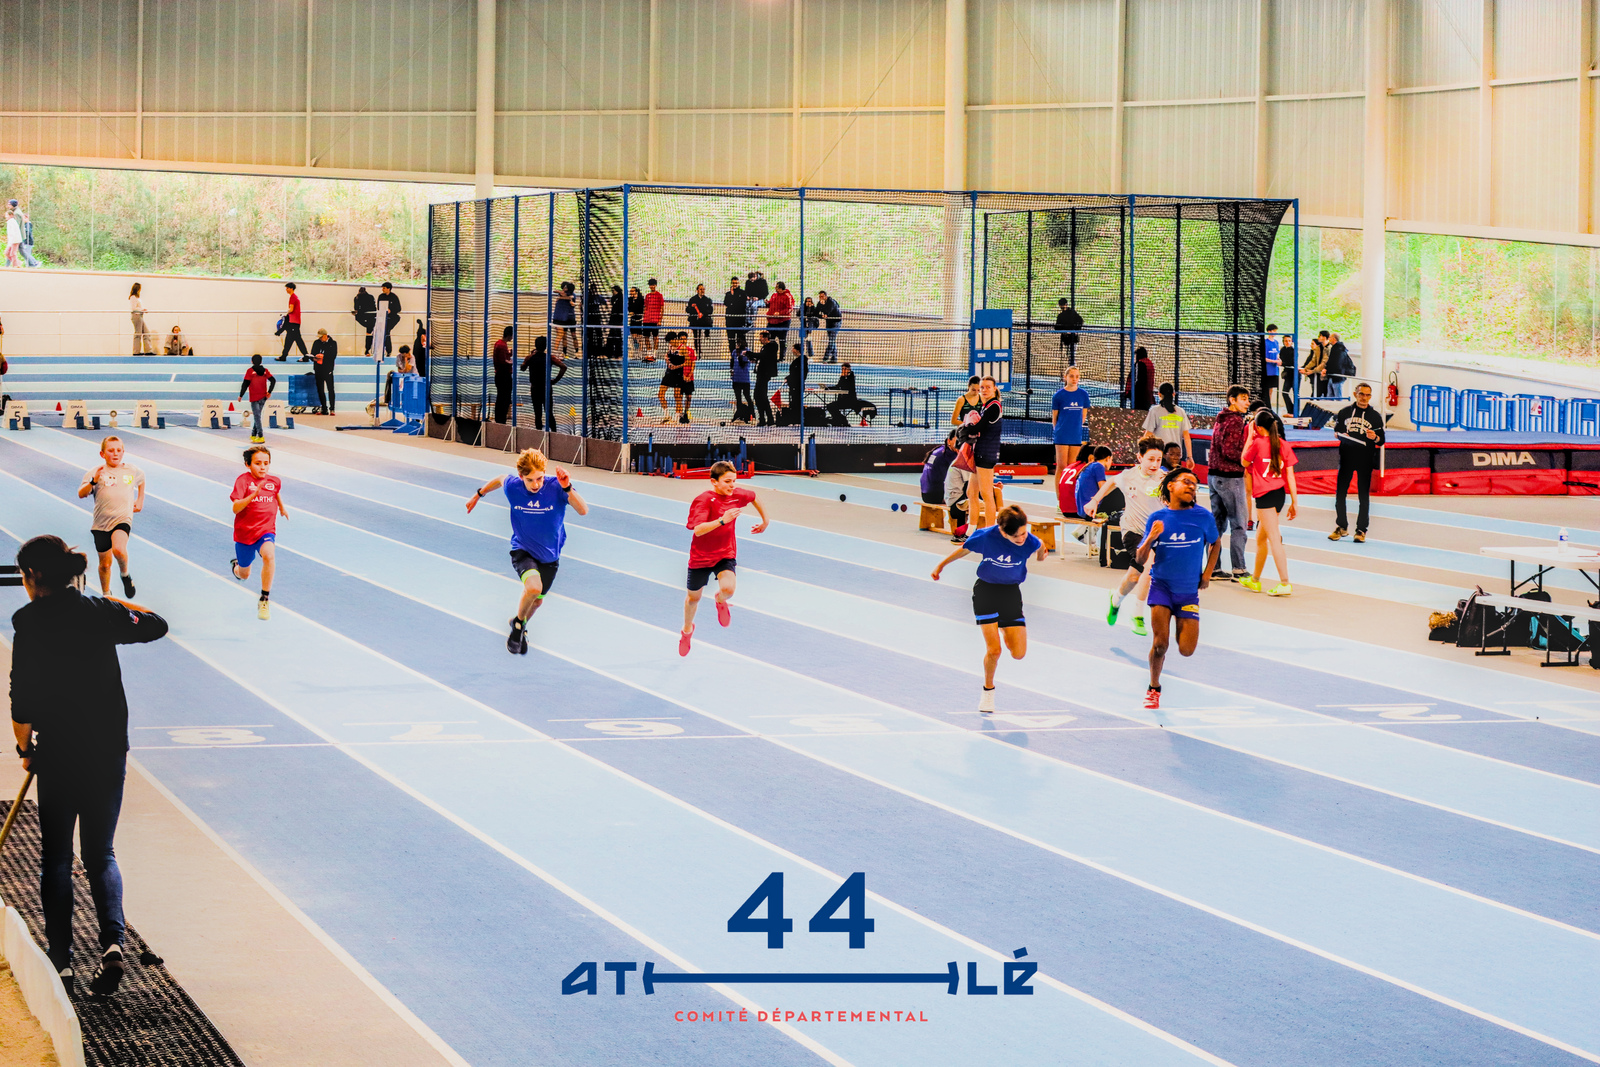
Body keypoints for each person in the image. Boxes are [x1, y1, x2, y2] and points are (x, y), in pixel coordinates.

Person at [10, 534, 170, 995]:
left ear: (33, 575)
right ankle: (113, 944)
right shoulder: (99, 611)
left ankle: (61, 960)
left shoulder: (28, 621)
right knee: (100, 853)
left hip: (58, 752)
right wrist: (109, 605)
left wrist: (25, 751)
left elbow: (21, 699)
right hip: (107, 749)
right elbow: (156, 624)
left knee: (57, 856)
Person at [465, 448, 589, 654]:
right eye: (530, 480)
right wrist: (479, 494)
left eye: (539, 478)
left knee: (537, 602)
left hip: (550, 556)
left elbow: (583, 510)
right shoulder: (513, 487)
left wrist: (567, 487)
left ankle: (519, 621)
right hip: (523, 550)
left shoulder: (556, 487)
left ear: (545, 473)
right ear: (521, 476)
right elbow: (500, 479)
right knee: (533, 588)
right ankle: (517, 628)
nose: (536, 484)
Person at [930, 504, 1047, 713]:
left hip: (1011, 594)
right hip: (986, 592)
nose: (1022, 538)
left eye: (1023, 533)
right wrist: (941, 565)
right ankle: (988, 691)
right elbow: (963, 550)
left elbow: (1040, 547)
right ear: (1003, 532)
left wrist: (1040, 555)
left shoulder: (1030, 541)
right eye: (1016, 536)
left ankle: (1002, 626)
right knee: (994, 650)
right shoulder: (986, 536)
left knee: (1018, 653)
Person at [1135, 469, 1220, 710]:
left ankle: (1179, 623)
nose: (1192, 486)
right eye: (1186, 482)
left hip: (1188, 592)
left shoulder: (1203, 517)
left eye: (1195, 484)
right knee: (1160, 645)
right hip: (1161, 587)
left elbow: (1215, 543)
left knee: (1186, 650)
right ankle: (1154, 687)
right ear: (1170, 486)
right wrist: (1151, 537)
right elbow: (1140, 558)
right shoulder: (1157, 518)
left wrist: (1207, 574)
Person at [680, 461, 769, 656]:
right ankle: (687, 631)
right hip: (701, 557)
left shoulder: (736, 495)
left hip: (725, 553)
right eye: (727, 481)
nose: (732, 485)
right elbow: (698, 530)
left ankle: (720, 600)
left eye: (734, 481)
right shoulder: (703, 500)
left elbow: (754, 497)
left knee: (728, 589)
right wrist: (722, 520)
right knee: (693, 599)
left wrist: (765, 520)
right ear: (714, 482)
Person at [1082, 435, 1167, 637]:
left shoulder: (1164, 478)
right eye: (1151, 459)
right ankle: (1138, 615)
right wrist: (1095, 501)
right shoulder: (1129, 476)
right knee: (1149, 567)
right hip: (1133, 531)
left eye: (1158, 460)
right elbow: (1111, 482)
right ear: (1140, 457)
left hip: (1155, 535)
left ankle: (1116, 599)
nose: (1155, 464)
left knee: (1135, 576)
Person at [1240, 408, 1298, 596]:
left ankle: (1285, 582)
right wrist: (1294, 501)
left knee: (1274, 538)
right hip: (1279, 494)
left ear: (1258, 427)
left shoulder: (1257, 443)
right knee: (1260, 538)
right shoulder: (1283, 444)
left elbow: (1244, 462)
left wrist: (1250, 436)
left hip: (1265, 496)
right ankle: (1255, 580)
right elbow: (1290, 475)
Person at [78, 436, 145, 598]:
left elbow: (141, 479)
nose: (115, 453)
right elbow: (81, 493)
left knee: (119, 549)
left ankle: (125, 575)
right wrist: (93, 481)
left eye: (119, 450)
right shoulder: (95, 472)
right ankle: (107, 596)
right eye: (111, 450)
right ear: (102, 454)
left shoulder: (131, 470)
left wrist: (140, 499)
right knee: (105, 565)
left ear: (123, 452)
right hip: (101, 524)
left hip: (122, 519)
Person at [228, 444, 288, 620]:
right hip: (244, 534)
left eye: (266, 463)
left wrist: (282, 508)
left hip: (266, 530)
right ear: (248, 464)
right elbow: (235, 508)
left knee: (269, 555)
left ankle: (264, 598)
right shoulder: (243, 481)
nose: (262, 467)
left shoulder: (274, 481)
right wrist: (252, 496)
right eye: (258, 463)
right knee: (244, 574)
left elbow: (275, 493)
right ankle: (236, 567)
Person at [1206, 385, 1252, 581]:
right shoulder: (1235, 421)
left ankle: (1213, 569)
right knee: (1239, 524)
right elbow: (1230, 451)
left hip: (1213, 476)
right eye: (1243, 398)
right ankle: (1239, 569)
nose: (1247, 403)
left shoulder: (1221, 418)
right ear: (1232, 400)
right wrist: (1248, 457)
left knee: (1217, 525)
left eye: (1248, 399)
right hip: (1230, 478)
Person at [1330, 382, 1385, 544]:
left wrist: (1374, 437)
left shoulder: (1375, 417)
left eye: (1368, 395)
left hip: (1365, 459)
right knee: (1340, 493)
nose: (1364, 398)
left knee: (1363, 495)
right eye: (1361, 394)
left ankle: (1361, 529)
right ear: (1355, 394)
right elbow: (1337, 431)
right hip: (1346, 457)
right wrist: (1340, 434)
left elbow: (1382, 440)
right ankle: (1341, 526)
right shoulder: (1344, 412)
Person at [959, 376, 1003, 532]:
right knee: (971, 492)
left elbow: (980, 428)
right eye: (982, 388)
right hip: (979, 452)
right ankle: (971, 530)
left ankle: (989, 532)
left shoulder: (994, 406)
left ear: (995, 388)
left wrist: (965, 428)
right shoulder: (986, 406)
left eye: (988, 387)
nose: (984, 390)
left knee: (986, 494)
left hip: (987, 453)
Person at [921, 430, 968, 534]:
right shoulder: (950, 456)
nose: (959, 443)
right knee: (968, 496)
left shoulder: (939, 450)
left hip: (926, 494)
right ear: (949, 441)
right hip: (936, 495)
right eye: (956, 441)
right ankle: (964, 528)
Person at [1049, 365, 1091, 474]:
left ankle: (1069, 485)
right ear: (1065, 377)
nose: (1074, 379)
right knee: (1062, 465)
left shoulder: (1083, 395)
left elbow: (1083, 416)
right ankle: (1059, 486)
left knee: (1072, 465)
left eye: (1077, 376)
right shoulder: (1058, 395)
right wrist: (1058, 431)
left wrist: (1076, 427)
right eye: (1071, 376)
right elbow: (1055, 417)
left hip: (1075, 434)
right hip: (1062, 434)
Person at [1141, 382, 1194, 463]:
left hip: (1160, 455)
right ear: (1173, 394)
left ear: (1159, 394)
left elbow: (1148, 434)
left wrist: (1142, 452)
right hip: (1176, 456)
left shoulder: (1155, 411)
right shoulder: (1181, 411)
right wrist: (1189, 457)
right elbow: (1186, 436)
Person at [238, 354, 276, 444]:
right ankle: (253, 434)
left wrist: (241, 395)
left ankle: (260, 436)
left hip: (254, 397)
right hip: (263, 397)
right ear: (261, 361)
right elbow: (273, 380)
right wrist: (269, 392)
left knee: (257, 417)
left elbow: (245, 384)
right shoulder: (265, 371)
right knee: (257, 416)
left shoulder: (250, 371)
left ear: (252, 361)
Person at [658, 331, 686, 423]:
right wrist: (666, 360)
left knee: (677, 396)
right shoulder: (670, 347)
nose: (670, 343)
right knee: (660, 394)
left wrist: (676, 367)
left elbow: (688, 362)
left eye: (670, 341)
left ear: (674, 339)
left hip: (678, 375)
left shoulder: (682, 348)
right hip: (669, 374)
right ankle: (667, 415)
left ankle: (677, 417)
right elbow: (667, 356)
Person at [754, 330, 780, 427]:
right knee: (760, 397)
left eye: (761, 337)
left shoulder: (771, 346)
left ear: (765, 338)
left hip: (764, 375)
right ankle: (766, 419)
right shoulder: (764, 348)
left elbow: (763, 356)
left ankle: (766, 419)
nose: (760, 339)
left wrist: (749, 353)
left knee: (760, 396)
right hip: (760, 374)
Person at [277, 282, 308, 362]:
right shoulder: (294, 297)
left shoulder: (293, 297)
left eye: (287, 288)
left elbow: (291, 309)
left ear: (291, 289)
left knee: (295, 340)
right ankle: (284, 356)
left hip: (293, 322)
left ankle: (306, 356)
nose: (286, 290)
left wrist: (286, 314)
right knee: (291, 340)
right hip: (294, 322)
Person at [310, 328, 338, 415]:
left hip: (328, 369)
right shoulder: (316, 343)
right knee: (320, 389)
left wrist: (323, 357)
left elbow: (333, 356)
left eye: (321, 337)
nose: (320, 339)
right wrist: (314, 358)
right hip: (318, 369)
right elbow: (312, 354)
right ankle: (324, 408)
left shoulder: (333, 343)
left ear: (325, 336)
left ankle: (332, 408)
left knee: (330, 389)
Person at [493, 325, 515, 424]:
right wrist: (511, 362)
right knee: (504, 398)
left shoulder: (500, 344)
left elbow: (503, 358)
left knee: (502, 397)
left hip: (501, 375)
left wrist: (510, 354)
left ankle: (500, 418)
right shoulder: (502, 345)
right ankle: (501, 419)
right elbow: (503, 361)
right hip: (503, 375)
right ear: (509, 335)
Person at [7, 200, 39, 267]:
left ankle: (32, 263)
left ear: (13, 205)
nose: (8, 206)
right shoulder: (16, 211)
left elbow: (16, 225)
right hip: (19, 236)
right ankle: (33, 263)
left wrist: (13, 236)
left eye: (9, 204)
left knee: (12, 251)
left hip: (18, 236)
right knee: (20, 251)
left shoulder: (16, 213)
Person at [1123, 346, 1156, 410]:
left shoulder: (1140, 363)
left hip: (1140, 398)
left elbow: (1139, 381)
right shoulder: (1149, 363)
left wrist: (1131, 393)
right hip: (1147, 396)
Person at [376, 282, 402, 361]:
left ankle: (388, 350)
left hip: (393, 317)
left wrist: (391, 310)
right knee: (383, 332)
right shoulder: (381, 296)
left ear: (388, 289)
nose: (382, 289)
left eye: (384, 288)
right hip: (383, 317)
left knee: (386, 331)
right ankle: (384, 350)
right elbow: (378, 307)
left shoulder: (394, 297)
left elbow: (398, 308)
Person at [686, 283, 715, 355]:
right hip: (695, 321)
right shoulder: (693, 299)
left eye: (703, 289)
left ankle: (707, 332)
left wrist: (703, 314)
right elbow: (687, 309)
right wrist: (694, 310)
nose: (702, 291)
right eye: (701, 289)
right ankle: (698, 351)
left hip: (704, 321)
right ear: (697, 290)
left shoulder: (707, 300)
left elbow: (710, 310)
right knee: (696, 337)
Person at [552, 281, 577, 359]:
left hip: (569, 318)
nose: (564, 289)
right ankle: (558, 352)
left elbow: (570, 298)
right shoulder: (561, 294)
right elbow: (555, 291)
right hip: (560, 318)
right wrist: (560, 293)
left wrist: (560, 297)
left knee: (573, 335)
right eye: (564, 287)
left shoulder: (572, 295)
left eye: (566, 287)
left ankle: (576, 353)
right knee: (562, 335)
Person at [766, 281, 794, 351]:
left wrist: (780, 313)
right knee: (770, 339)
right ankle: (771, 354)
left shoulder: (787, 296)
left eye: (776, 287)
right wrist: (767, 303)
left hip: (782, 321)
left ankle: (782, 355)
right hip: (772, 321)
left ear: (780, 289)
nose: (775, 288)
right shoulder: (774, 295)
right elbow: (771, 304)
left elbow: (790, 308)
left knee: (782, 340)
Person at [730, 343, 754, 423]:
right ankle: (739, 414)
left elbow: (745, 363)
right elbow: (732, 362)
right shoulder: (734, 352)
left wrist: (741, 357)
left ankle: (752, 414)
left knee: (747, 396)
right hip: (736, 379)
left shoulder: (747, 351)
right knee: (738, 398)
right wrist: (731, 371)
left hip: (745, 379)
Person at [128, 283, 154, 356]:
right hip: (136, 315)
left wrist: (143, 310)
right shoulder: (133, 297)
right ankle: (136, 351)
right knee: (138, 333)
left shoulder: (137, 297)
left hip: (140, 315)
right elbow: (133, 308)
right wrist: (142, 309)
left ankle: (148, 350)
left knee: (146, 332)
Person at [724, 276, 748, 355]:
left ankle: (742, 355)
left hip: (740, 321)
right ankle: (733, 355)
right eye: (733, 283)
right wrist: (731, 296)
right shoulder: (728, 294)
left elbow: (741, 304)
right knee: (731, 339)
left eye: (736, 283)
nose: (735, 284)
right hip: (730, 321)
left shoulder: (743, 293)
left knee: (741, 339)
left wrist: (733, 299)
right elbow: (726, 303)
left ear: (739, 283)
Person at [1054, 299, 1084, 364]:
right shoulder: (1061, 316)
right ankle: (1071, 366)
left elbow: (1080, 321)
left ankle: (1072, 367)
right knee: (1069, 355)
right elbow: (1057, 327)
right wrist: (1064, 331)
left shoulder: (1073, 313)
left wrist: (1076, 331)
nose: (1062, 307)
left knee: (1071, 355)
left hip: (1073, 338)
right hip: (1066, 339)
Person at [642, 278, 665, 356]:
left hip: (655, 320)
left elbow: (662, 308)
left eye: (653, 285)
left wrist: (660, 320)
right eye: (650, 285)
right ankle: (649, 353)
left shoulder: (659, 295)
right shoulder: (647, 296)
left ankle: (654, 353)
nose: (652, 286)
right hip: (646, 320)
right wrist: (644, 317)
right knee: (646, 337)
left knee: (655, 337)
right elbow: (645, 307)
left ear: (655, 285)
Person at [679, 332, 698, 424]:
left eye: (685, 339)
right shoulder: (677, 351)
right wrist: (683, 376)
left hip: (690, 378)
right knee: (679, 397)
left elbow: (693, 364)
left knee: (689, 397)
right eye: (681, 339)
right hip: (680, 378)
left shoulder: (691, 350)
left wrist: (689, 375)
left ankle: (686, 413)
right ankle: (679, 414)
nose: (683, 340)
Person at [1325, 332, 1352, 398]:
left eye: (1330, 337)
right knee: (1330, 395)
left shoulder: (1338, 350)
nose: (1328, 339)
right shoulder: (1335, 348)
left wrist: (1327, 370)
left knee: (1337, 397)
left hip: (1337, 377)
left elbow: (1336, 363)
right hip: (1332, 376)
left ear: (1334, 339)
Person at [818, 289, 842, 362]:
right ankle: (834, 358)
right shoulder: (820, 303)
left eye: (822, 296)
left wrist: (823, 308)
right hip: (829, 322)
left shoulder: (831, 302)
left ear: (826, 296)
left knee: (831, 339)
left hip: (836, 322)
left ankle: (826, 357)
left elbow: (827, 311)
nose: (821, 298)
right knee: (832, 340)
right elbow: (817, 311)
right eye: (820, 297)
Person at [353, 286, 377, 355]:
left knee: (369, 333)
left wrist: (357, 313)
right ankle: (367, 349)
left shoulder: (357, 298)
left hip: (362, 316)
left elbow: (356, 308)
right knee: (369, 333)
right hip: (371, 317)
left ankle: (367, 350)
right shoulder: (370, 297)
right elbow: (374, 308)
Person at [1263, 324, 1281, 411]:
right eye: (1274, 331)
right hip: (1268, 370)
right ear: (1269, 331)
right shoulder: (1265, 343)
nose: (1275, 333)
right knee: (1266, 389)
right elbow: (1264, 358)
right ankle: (1266, 406)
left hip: (1274, 370)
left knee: (1271, 389)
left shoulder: (1276, 342)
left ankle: (1268, 406)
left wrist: (1279, 360)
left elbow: (1277, 354)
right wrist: (1274, 361)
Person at [1278, 332, 1297, 412]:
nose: (1288, 342)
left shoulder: (1294, 350)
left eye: (1289, 341)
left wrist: (1282, 363)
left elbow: (1292, 362)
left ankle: (1295, 411)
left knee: (1296, 394)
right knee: (1285, 392)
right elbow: (1281, 359)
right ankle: (1290, 410)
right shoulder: (1282, 350)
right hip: (1288, 374)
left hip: (1294, 374)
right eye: (1286, 341)